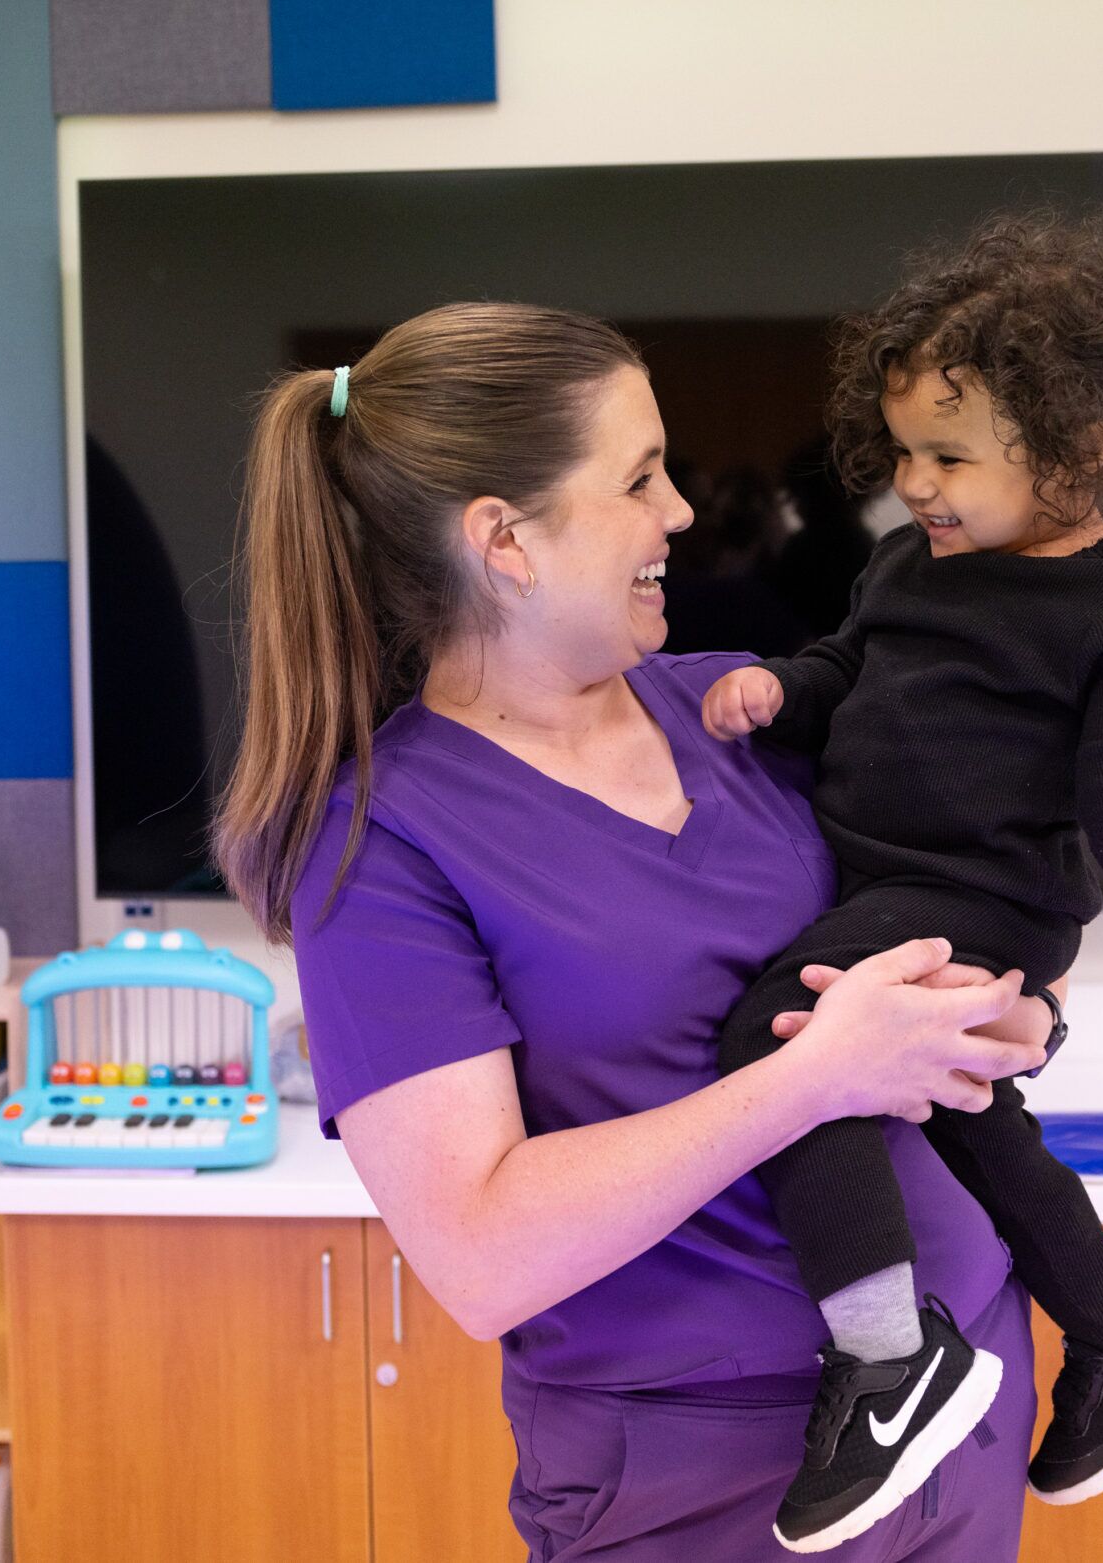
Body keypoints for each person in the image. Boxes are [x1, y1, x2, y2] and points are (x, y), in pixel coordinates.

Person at [213, 302, 1050, 1560]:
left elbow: (936, 904)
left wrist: (1002, 1018)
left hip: (968, 1393)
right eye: (638, 478)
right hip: (705, 1476)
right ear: (506, 541)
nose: (678, 513)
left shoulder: (735, 709)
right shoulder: (380, 839)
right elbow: (481, 1252)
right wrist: (813, 1077)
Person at [702, 212, 1103, 1542]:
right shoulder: (914, 560)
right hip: (896, 881)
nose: (916, 482)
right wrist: (780, 686)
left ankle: (883, 1356)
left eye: (951, 456)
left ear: (1080, 453)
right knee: (974, 1118)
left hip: (984, 893)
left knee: (785, 1033)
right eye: (907, 450)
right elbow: (852, 669)